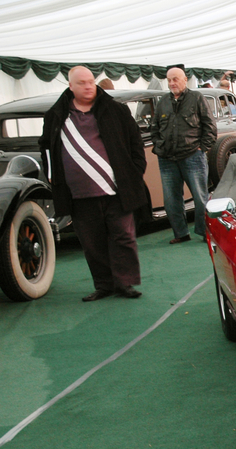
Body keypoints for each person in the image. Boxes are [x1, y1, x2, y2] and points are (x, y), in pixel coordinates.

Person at [39, 66, 146, 301]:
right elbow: (46, 147)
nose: (89, 86)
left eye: (91, 81)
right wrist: (52, 176)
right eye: (82, 83)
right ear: (71, 86)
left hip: (116, 190)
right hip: (78, 194)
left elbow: (135, 143)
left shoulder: (115, 110)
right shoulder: (56, 115)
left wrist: (134, 174)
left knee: (123, 238)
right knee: (92, 242)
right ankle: (104, 285)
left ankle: (125, 283)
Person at [150, 66, 217, 244]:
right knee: (171, 200)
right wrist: (158, 146)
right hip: (167, 158)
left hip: (192, 156)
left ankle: (205, 233)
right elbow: (154, 128)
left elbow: (210, 127)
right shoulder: (163, 101)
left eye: (175, 79)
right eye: (169, 80)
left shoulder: (197, 98)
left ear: (185, 79)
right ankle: (180, 233)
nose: (172, 83)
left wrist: (202, 148)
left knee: (200, 197)